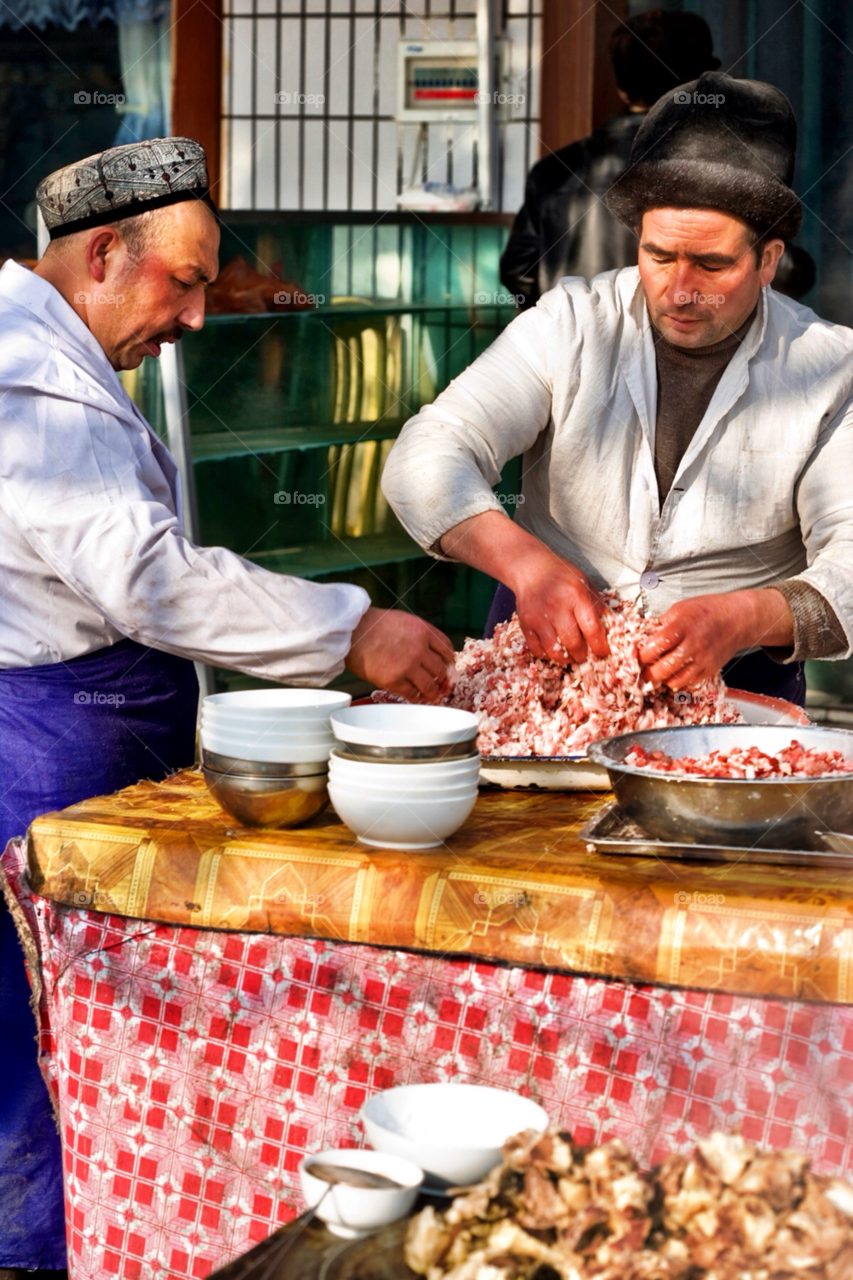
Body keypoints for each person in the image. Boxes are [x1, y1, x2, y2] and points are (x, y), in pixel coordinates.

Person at [0, 137, 453, 1275]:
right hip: (45, 742)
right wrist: (353, 628)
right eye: (184, 281)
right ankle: (46, 1250)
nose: (198, 317)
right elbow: (149, 579)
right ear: (104, 253)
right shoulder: (35, 389)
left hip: (68, 721)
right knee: (44, 1037)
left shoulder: (45, 351)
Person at [382, 72, 853, 712]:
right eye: (658, 257)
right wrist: (526, 565)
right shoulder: (569, 324)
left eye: (712, 265)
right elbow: (429, 453)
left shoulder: (829, 368)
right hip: (539, 673)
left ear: (769, 261)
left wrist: (742, 617)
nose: (679, 290)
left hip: (733, 696)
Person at [500, 9, 720, 308]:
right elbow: (777, 270)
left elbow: (519, 270)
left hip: (573, 347)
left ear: (621, 88)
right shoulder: (719, 168)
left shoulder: (553, 170)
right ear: (697, 83)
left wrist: (566, 322)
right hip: (674, 349)